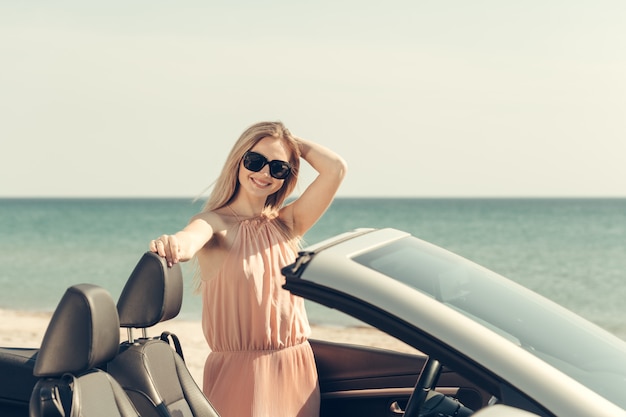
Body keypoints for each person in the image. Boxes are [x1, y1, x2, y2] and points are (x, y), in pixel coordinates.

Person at [149, 121, 347, 417]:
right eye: (255, 161)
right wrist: (175, 244)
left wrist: (290, 143)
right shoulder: (214, 223)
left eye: (278, 167)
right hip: (241, 375)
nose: (265, 173)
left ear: (287, 176)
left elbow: (336, 169)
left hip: (297, 368)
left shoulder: (287, 224)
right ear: (238, 161)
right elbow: (190, 239)